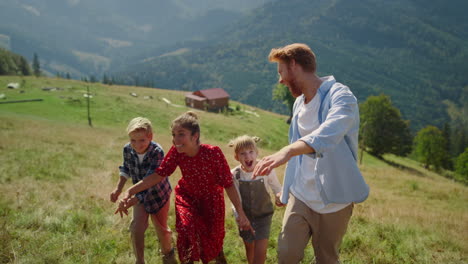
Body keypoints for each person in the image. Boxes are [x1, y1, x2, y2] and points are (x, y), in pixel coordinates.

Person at [253, 43, 370, 264]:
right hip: (301, 195)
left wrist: (288, 151)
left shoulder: (341, 96)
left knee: (326, 258)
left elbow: (329, 133)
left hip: (334, 201)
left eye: (281, 72)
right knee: (286, 255)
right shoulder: (298, 103)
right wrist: (285, 189)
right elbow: (299, 155)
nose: (280, 80)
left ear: (294, 65)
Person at [119, 111, 252, 264]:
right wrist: (129, 191)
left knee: (212, 242)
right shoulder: (176, 151)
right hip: (187, 197)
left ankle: (218, 257)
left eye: (181, 134)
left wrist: (241, 213)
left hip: (211, 201)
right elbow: (158, 175)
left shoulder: (213, 153)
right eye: (174, 134)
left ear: (195, 136)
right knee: (186, 229)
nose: (176, 140)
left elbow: (228, 184)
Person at [111, 117, 177, 264]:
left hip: (159, 195)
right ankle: (139, 260)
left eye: (141, 140)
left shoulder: (157, 152)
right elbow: (126, 169)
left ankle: (167, 253)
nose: (137, 145)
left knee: (161, 228)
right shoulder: (127, 149)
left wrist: (133, 197)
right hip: (138, 194)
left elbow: (152, 180)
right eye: (133, 140)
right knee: (136, 228)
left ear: (150, 137)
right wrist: (118, 189)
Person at [228, 135, 283, 264]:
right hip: (244, 217)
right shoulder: (234, 174)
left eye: (251, 152)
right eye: (243, 154)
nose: (248, 157)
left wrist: (279, 196)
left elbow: (277, 188)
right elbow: (235, 199)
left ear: (257, 153)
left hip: (264, 216)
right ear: (237, 157)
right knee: (249, 246)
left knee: (261, 250)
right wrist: (239, 216)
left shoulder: (266, 170)